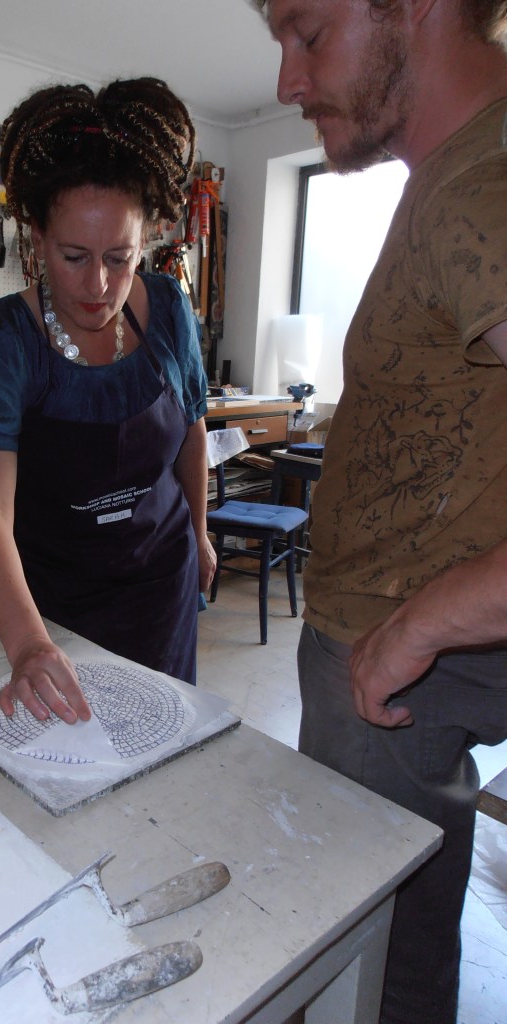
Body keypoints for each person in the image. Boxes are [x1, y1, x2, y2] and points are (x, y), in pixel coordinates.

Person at [253, 1, 507, 1022]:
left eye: (307, 30)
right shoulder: (449, 177)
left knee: (369, 974)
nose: (285, 80)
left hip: (396, 659)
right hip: (401, 660)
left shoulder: (479, 190)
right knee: (398, 950)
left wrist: (426, 622)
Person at [0, 78, 215, 725]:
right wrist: (30, 644)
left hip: (160, 588)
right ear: (34, 236)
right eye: (73, 256)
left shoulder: (170, 311)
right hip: (51, 603)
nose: (98, 285)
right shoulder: (5, 344)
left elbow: (193, 433)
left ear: (147, 238)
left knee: (160, 741)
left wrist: (200, 534)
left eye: (120, 258)